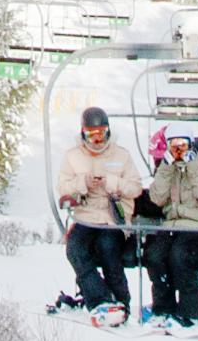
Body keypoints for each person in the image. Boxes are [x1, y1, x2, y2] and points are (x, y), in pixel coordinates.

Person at [50, 105, 144, 322]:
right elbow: (63, 187)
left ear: (108, 132)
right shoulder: (73, 157)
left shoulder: (121, 155)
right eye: (92, 136)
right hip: (86, 216)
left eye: (101, 134)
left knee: (108, 247)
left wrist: (112, 183)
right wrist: (82, 183)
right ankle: (100, 299)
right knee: (75, 248)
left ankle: (121, 301)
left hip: (113, 218)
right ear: (83, 134)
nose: (97, 141)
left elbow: (135, 187)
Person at [142, 131, 198, 329]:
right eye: (174, 146)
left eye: (183, 145)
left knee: (180, 255)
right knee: (154, 255)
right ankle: (163, 308)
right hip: (172, 227)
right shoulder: (166, 171)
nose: (178, 150)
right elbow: (157, 198)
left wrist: (192, 167)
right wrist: (166, 168)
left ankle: (192, 313)